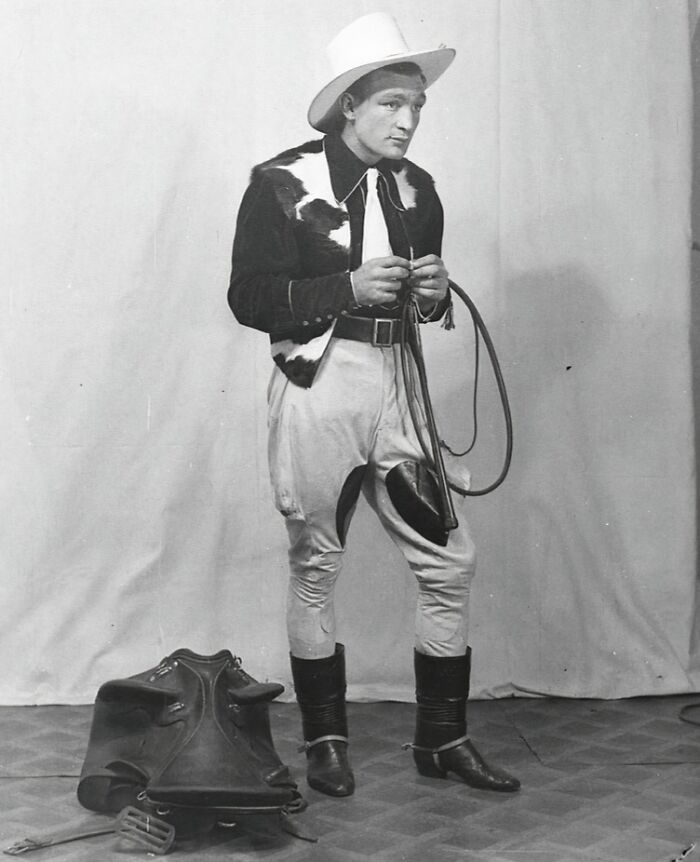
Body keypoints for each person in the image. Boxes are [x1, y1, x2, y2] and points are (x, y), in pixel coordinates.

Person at [228, 12, 520, 798]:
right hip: (320, 386)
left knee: (448, 561)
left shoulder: (418, 191)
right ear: (348, 105)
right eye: (392, 103)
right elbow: (249, 298)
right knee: (316, 561)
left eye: (417, 107)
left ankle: (443, 739)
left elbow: (422, 304)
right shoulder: (280, 182)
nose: (408, 120)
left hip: (400, 385)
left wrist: (430, 297)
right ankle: (326, 743)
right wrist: (343, 289)